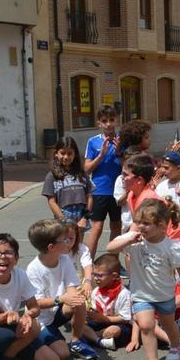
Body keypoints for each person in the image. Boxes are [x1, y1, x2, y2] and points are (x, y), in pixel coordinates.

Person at [105, 200, 180, 360]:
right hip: (141, 295)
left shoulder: (172, 246)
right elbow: (109, 247)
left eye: (145, 223)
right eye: (138, 222)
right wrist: (128, 237)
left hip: (165, 294)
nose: (140, 227)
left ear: (161, 225)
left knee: (169, 324)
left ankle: (175, 346)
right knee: (145, 325)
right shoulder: (134, 243)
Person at [25, 219, 97, 360]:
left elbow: (71, 286)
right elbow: (35, 303)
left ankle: (76, 341)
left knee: (79, 301)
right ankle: (31, 341)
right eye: (64, 240)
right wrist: (61, 299)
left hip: (56, 313)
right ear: (51, 247)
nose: (68, 242)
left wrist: (75, 296)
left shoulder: (64, 259)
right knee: (62, 354)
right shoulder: (33, 269)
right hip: (41, 320)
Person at [83, 105, 122, 257]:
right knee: (97, 228)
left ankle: (113, 263)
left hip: (119, 192)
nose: (108, 124)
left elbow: (128, 165)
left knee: (116, 227)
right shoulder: (93, 142)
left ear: (117, 121)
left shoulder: (122, 140)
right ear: (99, 123)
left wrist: (119, 152)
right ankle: (88, 264)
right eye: (104, 121)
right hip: (99, 190)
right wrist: (101, 155)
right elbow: (86, 169)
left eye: (111, 120)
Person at [123, 154, 180, 244]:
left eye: (125, 175)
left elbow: (134, 231)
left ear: (139, 180)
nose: (122, 178)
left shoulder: (147, 198)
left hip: (174, 241)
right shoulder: (131, 195)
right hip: (158, 238)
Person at [43, 137, 93, 244]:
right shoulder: (52, 176)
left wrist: (85, 217)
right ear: (56, 154)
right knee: (65, 247)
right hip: (64, 214)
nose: (66, 157)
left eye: (70, 153)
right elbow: (51, 201)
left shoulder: (81, 174)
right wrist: (63, 219)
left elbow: (89, 196)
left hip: (81, 214)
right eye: (63, 153)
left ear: (75, 154)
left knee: (78, 246)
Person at [83, 254, 132, 351]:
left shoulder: (124, 293)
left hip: (117, 324)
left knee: (114, 330)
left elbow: (125, 318)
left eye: (100, 275)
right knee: (78, 323)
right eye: (94, 274)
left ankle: (92, 337)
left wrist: (104, 319)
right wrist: (88, 313)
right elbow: (94, 311)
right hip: (100, 322)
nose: (96, 278)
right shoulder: (96, 291)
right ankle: (100, 341)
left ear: (113, 276)